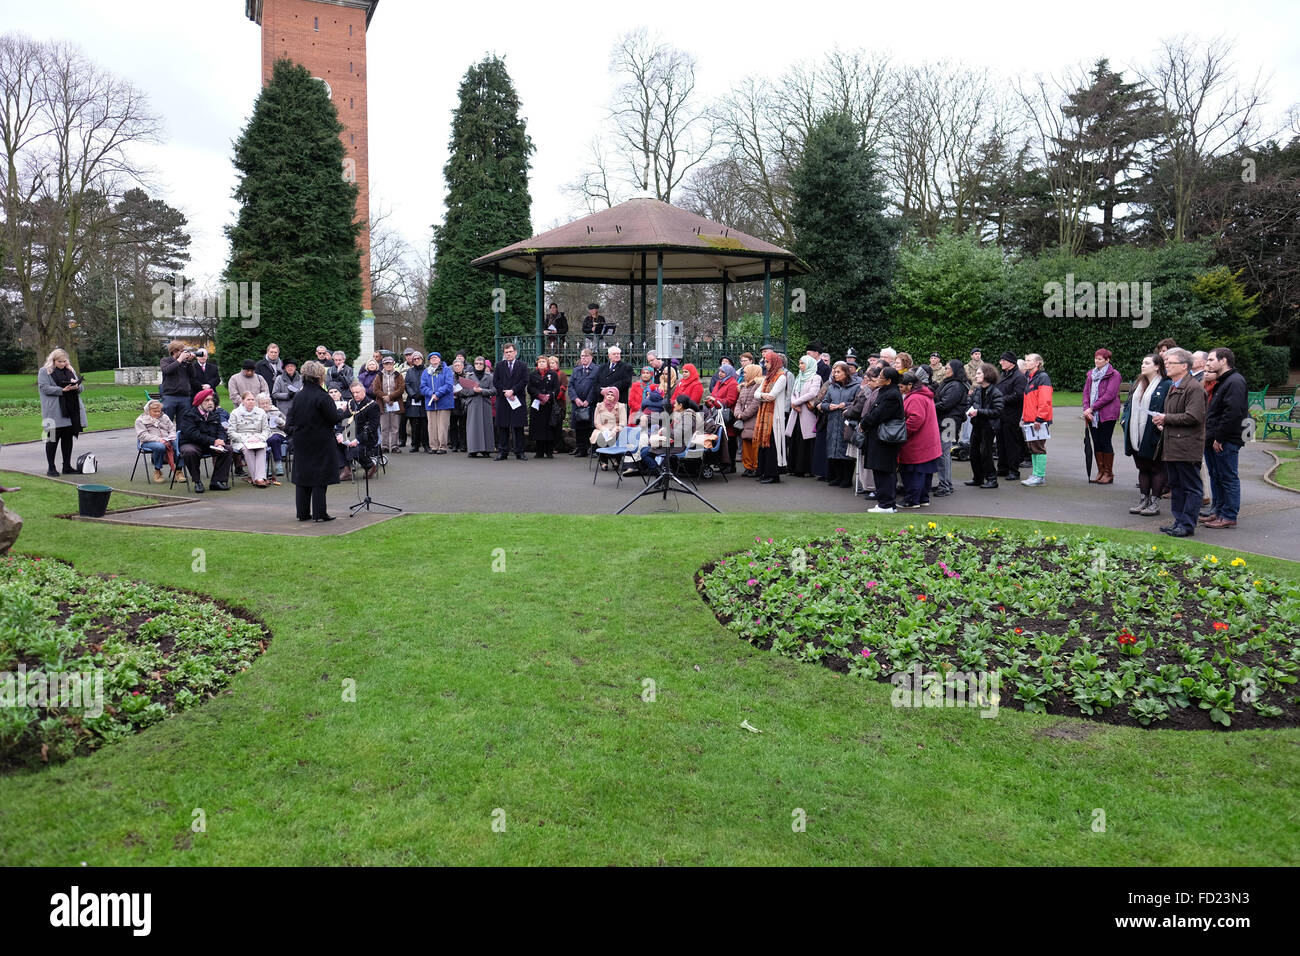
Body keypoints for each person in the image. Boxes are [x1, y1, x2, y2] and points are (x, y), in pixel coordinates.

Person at [1151, 348, 1206, 537]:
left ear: (1184, 366)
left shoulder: (1194, 388)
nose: (1166, 365)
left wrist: (1166, 419)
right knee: (1176, 485)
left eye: (1170, 363)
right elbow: (1176, 416)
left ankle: (1187, 524)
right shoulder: (1175, 385)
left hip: (1186, 447)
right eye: (1166, 363)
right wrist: (1163, 422)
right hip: (1173, 445)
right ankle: (1179, 522)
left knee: (1190, 487)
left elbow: (1193, 417)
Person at [288, 361, 350, 521]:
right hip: (321, 441)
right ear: (320, 377)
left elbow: (291, 420)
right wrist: (341, 411)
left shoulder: (298, 396)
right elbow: (333, 419)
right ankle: (319, 513)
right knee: (320, 478)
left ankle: (302, 513)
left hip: (301, 440)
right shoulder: (323, 397)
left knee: (303, 478)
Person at [1201, 347, 1247, 529]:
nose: (1208, 363)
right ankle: (1217, 511)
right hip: (1213, 437)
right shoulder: (1223, 381)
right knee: (1216, 476)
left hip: (1225, 439)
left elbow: (1233, 412)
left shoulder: (1235, 382)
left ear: (1223, 361)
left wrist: (1219, 437)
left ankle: (1228, 515)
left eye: (1211, 360)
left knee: (1228, 477)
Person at [1121, 354, 1171, 517]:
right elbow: (1128, 403)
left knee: (1156, 468)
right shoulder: (1138, 383)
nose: (1143, 365)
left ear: (1157, 366)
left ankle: (1154, 502)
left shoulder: (1166, 384)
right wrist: (1124, 420)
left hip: (1154, 434)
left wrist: (1164, 424)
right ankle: (1143, 499)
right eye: (1142, 362)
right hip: (1135, 434)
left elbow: (1169, 407)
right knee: (1142, 468)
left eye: (1147, 363)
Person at [37, 349, 87, 477]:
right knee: (52, 439)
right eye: (60, 361)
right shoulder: (44, 371)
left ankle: (67, 466)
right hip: (53, 411)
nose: (63, 364)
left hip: (71, 410)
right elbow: (44, 388)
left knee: (67, 439)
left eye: (65, 361)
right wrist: (62, 390)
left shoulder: (70, 370)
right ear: (53, 361)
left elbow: (81, 388)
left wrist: (76, 386)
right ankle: (51, 468)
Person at [861, 367, 904, 512]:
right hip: (880, 438)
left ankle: (885, 504)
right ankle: (886, 503)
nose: (878, 378)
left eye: (881, 376)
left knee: (883, 470)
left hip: (885, 439)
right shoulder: (887, 392)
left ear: (889, 380)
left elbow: (878, 414)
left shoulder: (891, 395)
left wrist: (864, 423)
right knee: (882, 470)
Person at [898, 372, 942, 508]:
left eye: (901, 387)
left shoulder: (915, 398)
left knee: (913, 473)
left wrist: (901, 433)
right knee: (925, 473)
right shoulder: (924, 395)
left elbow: (915, 419)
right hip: (928, 443)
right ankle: (922, 498)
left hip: (918, 444)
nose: (900, 389)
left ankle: (911, 500)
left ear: (910, 385)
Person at [179, 388, 233, 493]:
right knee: (190, 451)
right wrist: (213, 441)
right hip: (192, 443)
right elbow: (192, 434)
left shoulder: (214, 414)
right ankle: (197, 482)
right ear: (199, 402)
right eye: (207, 400)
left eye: (212, 400)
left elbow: (221, 431)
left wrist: (220, 442)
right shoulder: (189, 414)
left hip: (210, 445)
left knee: (228, 449)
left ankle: (217, 481)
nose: (210, 403)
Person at [1082, 348, 1122, 484]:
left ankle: (1108, 473)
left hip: (1107, 414)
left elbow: (1110, 395)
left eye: (1100, 359)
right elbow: (1086, 393)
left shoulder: (1114, 375)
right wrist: (1087, 409)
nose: (1097, 361)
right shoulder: (1091, 375)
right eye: (1096, 358)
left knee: (1105, 441)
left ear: (1107, 360)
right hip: (1092, 414)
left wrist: (1092, 408)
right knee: (1096, 442)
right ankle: (1100, 471)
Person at [817, 361, 860, 488]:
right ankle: (838, 476)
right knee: (833, 449)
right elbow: (823, 403)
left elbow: (858, 403)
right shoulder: (831, 387)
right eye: (834, 372)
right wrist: (828, 406)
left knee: (845, 451)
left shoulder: (856, 387)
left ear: (846, 373)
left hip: (846, 422)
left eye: (838, 372)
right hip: (833, 422)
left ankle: (846, 479)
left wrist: (845, 405)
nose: (835, 374)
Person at [964, 363, 1004, 489]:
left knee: (986, 453)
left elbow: (998, 411)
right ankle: (978, 478)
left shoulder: (995, 392)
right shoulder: (977, 390)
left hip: (988, 427)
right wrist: (968, 410)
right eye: (976, 373)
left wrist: (979, 412)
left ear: (987, 375)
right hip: (977, 425)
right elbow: (970, 403)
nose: (976, 376)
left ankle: (992, 479)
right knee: (974, 452)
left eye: (979, 373)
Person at [933, 360, 969, 497]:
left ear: (954, 370)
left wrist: (930, 407)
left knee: (944, 454)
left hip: (949, 422)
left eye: (947, 368)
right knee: (944, 454)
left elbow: (945, 404)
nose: (945, 370)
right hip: (947, 421)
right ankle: (946, 482)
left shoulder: (955, 385)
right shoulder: (950, 383)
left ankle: (945, 485)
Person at [754, 353, 788, 484]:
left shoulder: (781, 377)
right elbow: (756, 394)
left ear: (774, 362)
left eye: (767, 362)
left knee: (772, 444)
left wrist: (762, 395)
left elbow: (772, 396)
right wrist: (764, 395)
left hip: (775, 416)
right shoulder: (767, 377)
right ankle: (763, 471)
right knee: (763, 444)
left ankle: (773, 474)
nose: (765, 365)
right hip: (765, 415)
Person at [785, 355, 821, 477]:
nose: (800, 366)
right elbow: (793, 392)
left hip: (806, 412)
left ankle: (806, 468)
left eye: (802, 363)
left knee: (806, 440)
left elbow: (813, 393)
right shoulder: (799, 377)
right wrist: (794, 402)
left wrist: (796, 402)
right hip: (797, 412)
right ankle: (794, 467)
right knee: (795, 438)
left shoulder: (815, 377)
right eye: (799, 363)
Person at [1020, 353, 1053, 487]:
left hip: (1038, 420)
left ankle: (1039, 476)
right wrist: (1024, 417)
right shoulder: (1029, 377)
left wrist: (1039, 418)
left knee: (1038, 448)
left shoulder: (1043, 378)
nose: (1026, 363)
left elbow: (1045, 400)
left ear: (1037, 363)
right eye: (1026, 360)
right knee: (1033, 448)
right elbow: (1028, 400)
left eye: (1029, 361)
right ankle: (1036, 474)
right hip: (1030, 420)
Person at [994, 351, 1028, 480]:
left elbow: (1019, 395)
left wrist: (1001, 399)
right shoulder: (1003, 375)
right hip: (1000, 414)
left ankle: (1014, 470)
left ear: (1010, 362)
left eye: (1003, 360)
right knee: (1000, 443)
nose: (1000, 362)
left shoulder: (1019, 377)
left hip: (1011, 415)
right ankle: (1002, 468)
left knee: (1011, 443)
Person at [228, 392, 272, 487]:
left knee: (262, 448)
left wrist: (259, 438)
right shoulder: (235, 413)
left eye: (252, 399)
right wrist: (246, 439)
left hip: (257, 439)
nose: (251, 401)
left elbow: (266, 430)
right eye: (248, 399)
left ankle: (258, 478)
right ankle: (256, 478)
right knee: (248, 450)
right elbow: (231, 432)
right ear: (243, 401)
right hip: (241, 441)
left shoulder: (261, 412)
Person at [494, 343, 529, 460]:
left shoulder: (523, 366)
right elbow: (496, 381)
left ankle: (520, 452)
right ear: (504, 353)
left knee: (518, 427)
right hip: (503, 399)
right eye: (506, 352)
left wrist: (513, 391)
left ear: (515, 352)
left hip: (517, 399)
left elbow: (524, 381)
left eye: (510, 351)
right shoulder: (499, 366)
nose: (508, 354)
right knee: (503, 427)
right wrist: (506, 392)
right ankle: (502, 452)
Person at [342, 380, 381, 479]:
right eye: (353, 392)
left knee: (354, 450)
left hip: (368, 437)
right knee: (335, 443)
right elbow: (345, 420)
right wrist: (339, 434)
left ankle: (370, 466)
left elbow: (372, 427)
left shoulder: (373, 405)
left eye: (357, 392)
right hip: (351, 434)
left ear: (364, 391)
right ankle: (346, 470)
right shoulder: (351, 403)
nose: (355, 395)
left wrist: (357, 439)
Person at [526, 354, 561, 458]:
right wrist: (539, 395)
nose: (541, 363)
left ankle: (549, 450)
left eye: (543, 362)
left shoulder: (553, 374)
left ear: (547, 364)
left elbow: (556, 388)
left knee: (549, 428)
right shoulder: (533, 374)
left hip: (549, 405)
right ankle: (539, 450)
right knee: (538, 428)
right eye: (540, 362)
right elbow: (530, 388)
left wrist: (548, 396)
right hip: (537, 404)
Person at [134, 399, 176, 483]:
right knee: (160, 446)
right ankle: (157, 470)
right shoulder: (140, 420)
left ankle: (178, 471)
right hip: (147, 442)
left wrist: (172, 435)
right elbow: (143, 436)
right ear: (148, 411)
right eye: (155, 411)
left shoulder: (164, 417)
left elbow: (172, 428)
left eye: (159, 411)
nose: (157, 413)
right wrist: (159, 439)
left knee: (180, 443)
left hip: (166, 439)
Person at [421, 351, 455, 454]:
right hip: (430, 402)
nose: (434, 359)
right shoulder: (426, 372)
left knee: (442, 426)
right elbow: (422, 387)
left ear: (439, 359)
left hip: (444, 402)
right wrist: (431, 393)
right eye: (431, 358)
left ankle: (442, 446)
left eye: (436, 357)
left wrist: (438, 394)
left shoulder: (447, 370)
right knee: (432, 426)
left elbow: (449, 385)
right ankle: (434, 446)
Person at [463, 356, 496, 457]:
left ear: (484, 365)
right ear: (474, 364)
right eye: (476, 363)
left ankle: (486, 450)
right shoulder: (469, 376)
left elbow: (494, 390)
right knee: (473, 427)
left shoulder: (490, 376)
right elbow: (464, 391)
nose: (478, 365)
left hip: (485, 403)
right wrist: (473, 391)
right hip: (473, 403)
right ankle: (473, 449)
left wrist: (482, 391)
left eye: (480, 364)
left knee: (486, 426)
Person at [732, 363, 762, 477]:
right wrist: (738, 413)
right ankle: (748, 466)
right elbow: (739, 402)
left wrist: (743, 415)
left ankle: (755, 466)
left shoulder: (759, 385)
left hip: (753, 419)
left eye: (745, 372)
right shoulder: (744, 386)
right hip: (744, 419)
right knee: (746, 443)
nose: (744, 374)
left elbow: (756, 404)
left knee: (754, 443)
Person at [371, 354, 405, 452]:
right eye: (386, 364)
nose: (388, 365)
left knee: (395, 426)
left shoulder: (398, 375)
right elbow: (375, 389)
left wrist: (390, 397)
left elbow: (401, 389)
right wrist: (384, 397)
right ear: (383, 365)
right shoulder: (379, 375)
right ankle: (384, 446)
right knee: (384, 426)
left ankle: (394, 446)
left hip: (395, 403)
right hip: (383, 404)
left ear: (393, 364)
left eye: (390, 363)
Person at [568, 348, 598, 456]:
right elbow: (570, 386)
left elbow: (595, 387)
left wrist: (588, 400)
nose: (583, 358)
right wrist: (575, 399)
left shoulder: (596, 369)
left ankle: (592, 449)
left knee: (591, 426)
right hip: (578, 403)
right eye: (582, 356)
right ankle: (581, 450)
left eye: (586, 356)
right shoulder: (576, 370)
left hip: (590, 403)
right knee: (579, 427)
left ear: (591, 357)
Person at [160, 341, 196, 431]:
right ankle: (167, 443)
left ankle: (180, 443)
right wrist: (179, 360)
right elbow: (167, 370)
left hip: (184, 397)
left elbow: (193, 375)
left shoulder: (185, 363)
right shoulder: (165, 360)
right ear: (175, 351)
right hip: (170, 396)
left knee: (183, 424)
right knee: (167, 422)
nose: (185, 353)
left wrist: (189, 362)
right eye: (182, 350)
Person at [590, 387, 628, 469]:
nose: (610, 396)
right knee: (601, 437)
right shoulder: (599, 406)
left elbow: (623, 422)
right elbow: (597, 422)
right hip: (603, 428)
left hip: (616, 428)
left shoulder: (620, 407)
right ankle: (603, 461)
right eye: (608, 394)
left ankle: (616, 459)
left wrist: (615, 430)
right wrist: (604, 430)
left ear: (616, 396)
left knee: (618, 437)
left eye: (612, 395)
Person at [402, 351, 430, 453]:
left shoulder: (427, 371)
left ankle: (426, 445)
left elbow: (428, 384)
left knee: (424, 424)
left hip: (424, 400)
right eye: (414, 359)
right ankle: (415, 445)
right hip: (413, 400)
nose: (417, 360)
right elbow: (407, 384)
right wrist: (413, 394)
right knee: (414, 424)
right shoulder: (410, 371)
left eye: (418, 358)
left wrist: (421, 394)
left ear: (422, 359)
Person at [257, 394, 287, 481]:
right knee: (264, 441)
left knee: (274, 439)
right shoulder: (257, 413)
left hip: (277, 432)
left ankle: (278, 463)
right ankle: (266, 466)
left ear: (270, 403)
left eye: (267, 403)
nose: (265, 405)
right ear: (258, 405)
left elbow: (286, 426)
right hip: (263, 434)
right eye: (263, 404)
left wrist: (281, 422)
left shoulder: (277, 411)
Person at [448, 356, 469, 453]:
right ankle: (454, 444)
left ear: (463, 366)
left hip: (463, 402)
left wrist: (460, 392)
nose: (457, 367)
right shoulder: (450, 376)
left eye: (459, 365)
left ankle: (463, 444)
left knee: (463, 425)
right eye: (455, 365)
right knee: (453, 425)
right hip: (453, 401)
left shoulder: (467, 376)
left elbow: (469, 389)